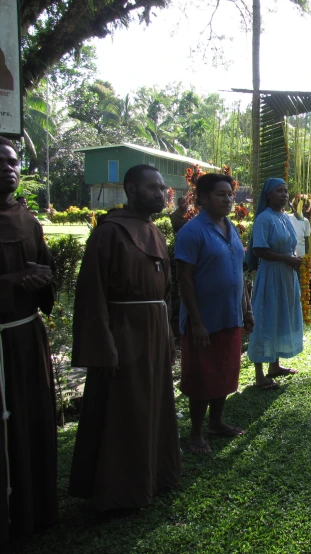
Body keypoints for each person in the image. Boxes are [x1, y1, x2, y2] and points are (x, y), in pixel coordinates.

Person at [69, 164, 181, 511]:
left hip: (154, 329)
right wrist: (104, 343)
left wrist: (169, 335)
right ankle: (121, 489)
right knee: (125, 408)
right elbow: (92, 294)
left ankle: (156, 476)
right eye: (153, 188)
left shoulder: (156, 232)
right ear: (131, 189)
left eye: (163, 189)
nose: (161, 195)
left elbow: (166, 292)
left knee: (155, 403)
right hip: (123, 331)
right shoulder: (110, 232)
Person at [0, 137, 56, 543]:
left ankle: (33, 510)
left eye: (15, 162)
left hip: (26, 333)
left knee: (31, 421)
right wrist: (11, 281)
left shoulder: (27, 218)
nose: (9, 168)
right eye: (0, 162)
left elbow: (46, 268)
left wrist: (41, 277)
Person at [175, 173, 254, 453]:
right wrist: (196, 322)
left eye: (230, 194)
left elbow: (238, 272)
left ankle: (216, 423)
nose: (228, 199)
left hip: (230, 316)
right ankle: (196, 434)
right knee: (201, 378)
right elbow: (184, 279)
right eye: (221, 194)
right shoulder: (192, 232)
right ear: (203, 198)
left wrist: (247, 308)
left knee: (225, 372)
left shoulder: (231, 228)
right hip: (203, 322)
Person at [245, 178, 303, 388]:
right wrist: (286, 259)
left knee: (280, 316)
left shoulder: (285, 217)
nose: (284, 195)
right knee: (266, 317)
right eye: (279, 191)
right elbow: (259, 250)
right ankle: (259, 374)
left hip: (287, 276)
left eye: (286, 191)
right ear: (268, 195)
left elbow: (290, 244)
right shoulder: (264, 219)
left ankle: (274, 365)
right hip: (270, 276)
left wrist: (294, 257)